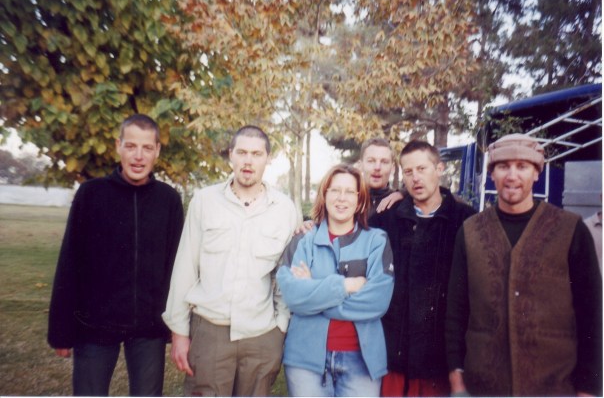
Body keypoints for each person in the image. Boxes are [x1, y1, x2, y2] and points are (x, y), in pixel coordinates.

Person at [446, 133, 603, 397]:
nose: (512, 176)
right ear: (492, 174)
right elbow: (456, 311)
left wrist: (588, 389)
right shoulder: (471, 231)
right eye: (503, 166)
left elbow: (592, 314)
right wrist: (457, 379)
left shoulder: (570, 230)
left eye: (522, 166)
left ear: (537, 173)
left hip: (554, 386)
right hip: (484, 386)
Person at [47, 114, 185, 396]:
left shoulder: (168, 200)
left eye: (147, 148)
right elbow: (69, 263)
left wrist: (178, 324)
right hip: (95, 325)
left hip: (149, 325)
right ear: (118, 146)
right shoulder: (90, 194)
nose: (138, 156)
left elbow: (177, 266)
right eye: (131, 146)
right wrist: (61, 330)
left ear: (157, 151)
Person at [162, 125, 298, 396]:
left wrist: (280, 327)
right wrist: (179, 332)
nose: (248, 161)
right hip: (210, 332)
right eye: (242, 152)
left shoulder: (284, 209)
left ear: (268, 159)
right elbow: (185, 268)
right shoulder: (204, 201)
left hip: (261, 335)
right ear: (230, 155)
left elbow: (287, 274)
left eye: (256, 154)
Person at [369, 140, 476, 397]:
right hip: (393, 355)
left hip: (440, 360)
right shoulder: (385, 219)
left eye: (422, 169)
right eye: (408, 171)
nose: (415, 178)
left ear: (439, 169)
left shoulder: (466, 220)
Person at [277, 163, 394, 397]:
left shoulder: (377, 241)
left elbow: (377, 301)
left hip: (361, 362)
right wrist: (346, 285)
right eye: (335, 190)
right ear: (324, 195)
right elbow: (293, 296)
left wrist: (314, 292)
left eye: (350, 192)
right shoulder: (303, 240)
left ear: (360, 201)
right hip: (305, 361)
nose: (342, 198)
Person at [359, 137, 402, 215]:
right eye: (371, 161)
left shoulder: (401, 205)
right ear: (361, 165)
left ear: (392, 168)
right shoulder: (348, 201)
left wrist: (404, 194)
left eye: (384, 162)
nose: (377, 167)